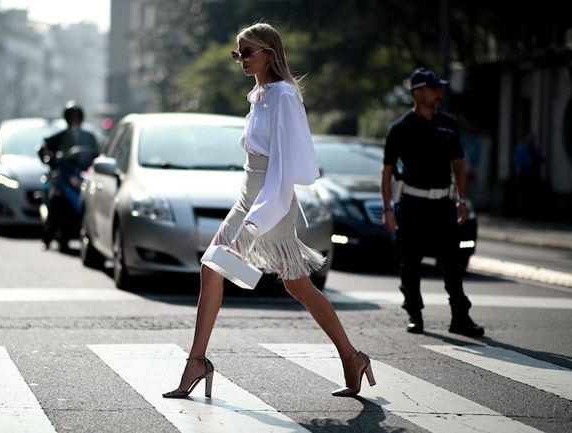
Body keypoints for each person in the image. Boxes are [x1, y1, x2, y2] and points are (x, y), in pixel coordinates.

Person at [163, 23, 376, 399]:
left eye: (249, 52)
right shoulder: (259, 94)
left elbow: (282, 166)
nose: (242, 59)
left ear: (270, 53)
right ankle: (351, 357)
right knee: (293, 283)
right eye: (238, 53)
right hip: (249, 195)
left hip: (269, 200)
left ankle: (197, 361)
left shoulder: (283, 95)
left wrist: (255, 218)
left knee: (220, 269)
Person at [381, 67, 484, 337]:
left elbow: (459, 165)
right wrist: (387, 209)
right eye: (433, 87)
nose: (439, 92)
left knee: (453, 262)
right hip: (412, 204)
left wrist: (462, 199)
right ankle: (415, 315)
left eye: (439, 88)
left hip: (443, 205)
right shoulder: (400, 129)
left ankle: (460, 318)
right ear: (418, 93)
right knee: (410, 263)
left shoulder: (448, 124)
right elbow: (387, 171)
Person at [39, 101, 98, 251]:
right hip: (64, 175)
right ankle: (47, 237)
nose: (75, 121)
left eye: (77, 117)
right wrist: (52, 160)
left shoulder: (88, 136)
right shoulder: (60, 136)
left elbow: (96, 153)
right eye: (72, 117)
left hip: (81, 175)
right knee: (56, 202)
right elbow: (43, 149)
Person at [513, 132, 543, 218]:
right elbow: (516, 160)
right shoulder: (521, 148)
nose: (531, 141)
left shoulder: (536, 149)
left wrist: (536, 161)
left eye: (533, 140)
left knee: (533, 193)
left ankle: (532, 212)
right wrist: (526, 162)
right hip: (524, 173)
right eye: (530, 140)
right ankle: (523, 212)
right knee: (524, 193)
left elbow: (541, 159)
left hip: (534, 174)